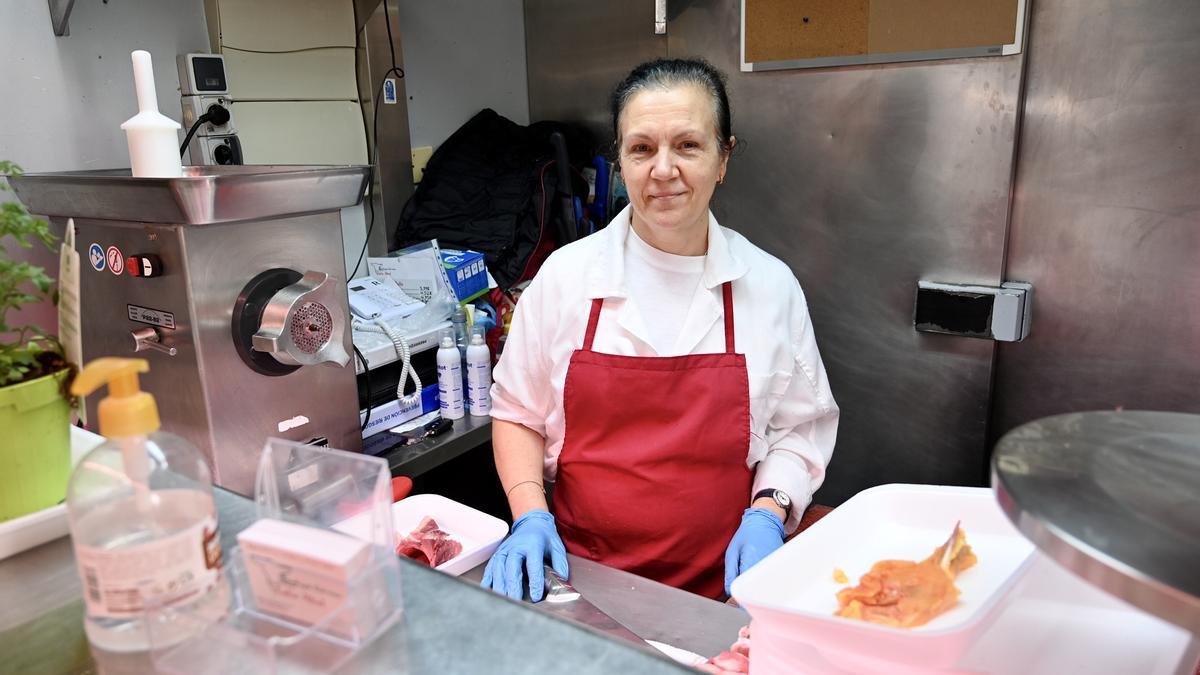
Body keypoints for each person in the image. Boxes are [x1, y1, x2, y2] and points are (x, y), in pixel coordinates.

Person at [481, 58, 838, 602]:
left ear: (724, 157)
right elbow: (517, 413)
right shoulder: (565, 279)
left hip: (727, 589)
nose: (663, 169)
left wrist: (770, 510)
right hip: (581, 583)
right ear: (619, 163)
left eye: (688, 146)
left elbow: (799, 428)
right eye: (642, 148)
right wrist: (530, 513)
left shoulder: (769, 286)